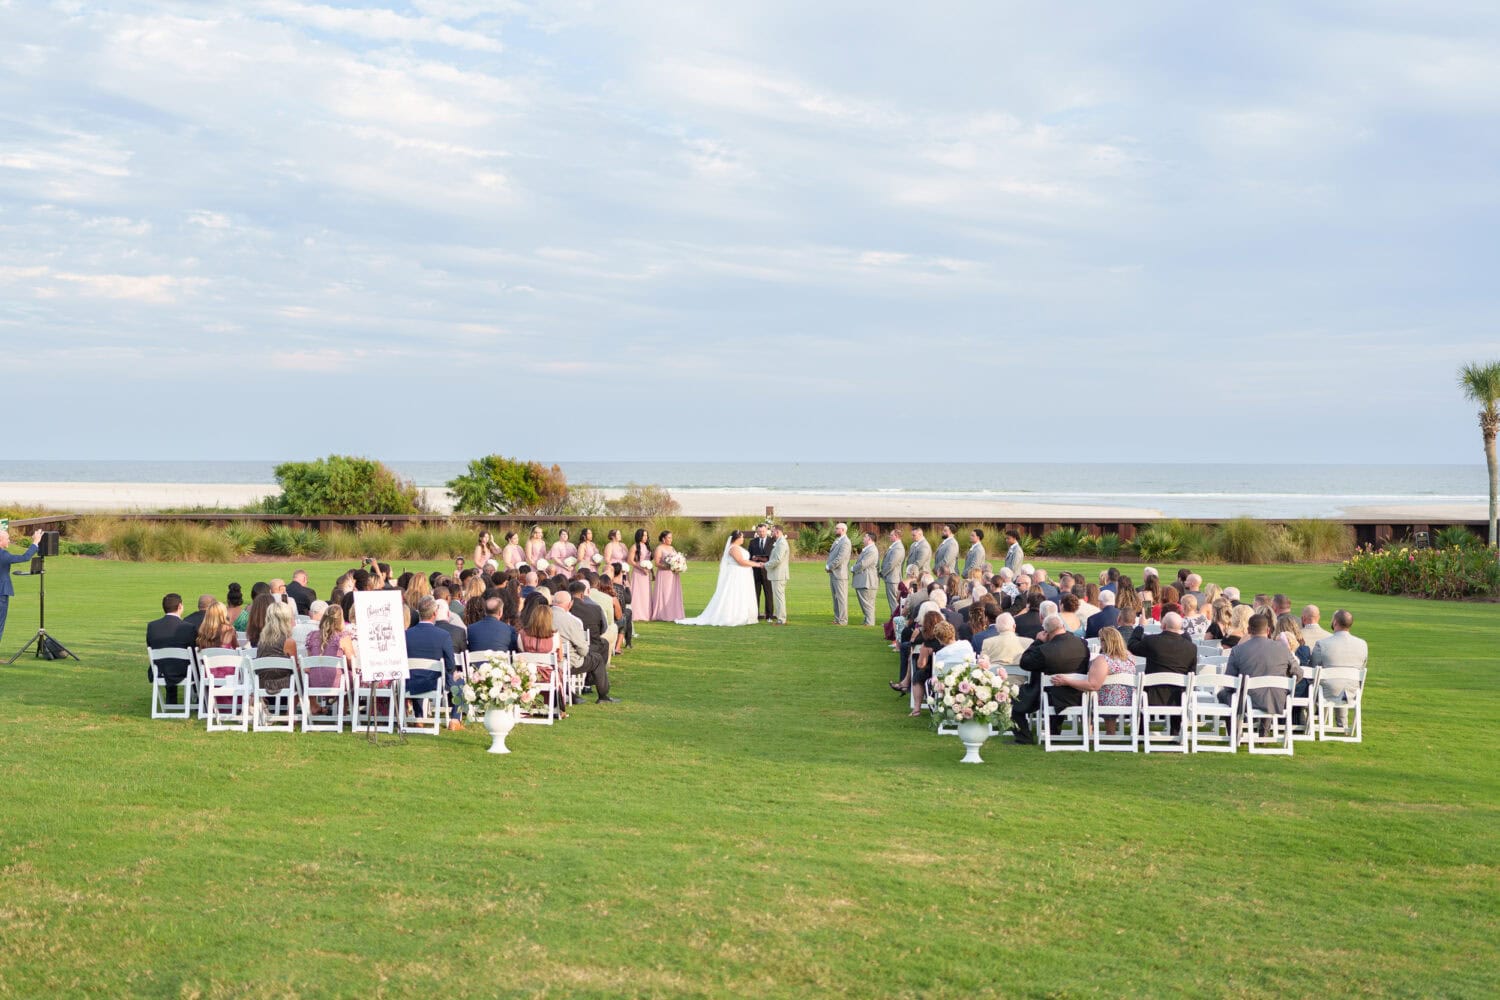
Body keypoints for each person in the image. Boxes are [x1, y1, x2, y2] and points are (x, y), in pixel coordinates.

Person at [1012, 615, 1090, 743]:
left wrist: (1037, 641)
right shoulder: (1081, 644)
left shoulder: (1044, 650)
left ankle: (1024, 737)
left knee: (1013, 699)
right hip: (1077, 694)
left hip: (1050, 696)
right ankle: (1054, 732)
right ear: (1063, 627)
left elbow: (1024, 662)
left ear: (1046, 632)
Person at [1050, 625, 1137, 734]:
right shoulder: (1130, 656)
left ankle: (1090, 734)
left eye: (1101, 640)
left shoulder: (1103, 660)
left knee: (1082, 695)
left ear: (1105, 642)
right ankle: (1109, 733)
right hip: (1129, 699)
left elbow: (1093, 685)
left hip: (1108, 700)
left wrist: (1066, 681)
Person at [1225, 613, 1302, 719]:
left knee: (1224, 695)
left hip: (1248, 700)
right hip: (1277, 699)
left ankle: (1235, 732)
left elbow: (1230, 681)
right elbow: (1298, 673)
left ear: (1248, 630)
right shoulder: (1282, 649)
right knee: (1267, 693)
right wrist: (1284, 684)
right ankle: (1263, 731)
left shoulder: (1238, 650)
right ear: (1268, 630)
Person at [1127, 611, 1197, 727]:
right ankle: (1175, 732)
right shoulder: (1191, 648)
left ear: (1163, 625)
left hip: (1150, 696)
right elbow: (1192, 673)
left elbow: (1132, 645)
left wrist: (1140, 626)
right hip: (1177, 698)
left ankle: (1141, 732)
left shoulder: (1152, 641)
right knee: (1180, 688)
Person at [677, 530, 757, 627]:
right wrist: (757, 564)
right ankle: (732, 615)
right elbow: (741, 561)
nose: (743, 539)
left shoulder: (738, 548)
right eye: (742, 537)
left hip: (742, 574)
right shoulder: (734, 549)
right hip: (736, 574)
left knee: (741, 593)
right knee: (734, 593)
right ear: (737, 538)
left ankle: (743, 614)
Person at [553, 587, 615, 702]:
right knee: (597, 659)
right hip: (567, 663)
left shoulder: (542, 617)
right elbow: (583, 650)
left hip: (546, 661)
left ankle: (573, 693)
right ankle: (603, 695)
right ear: (569, 604)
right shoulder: (570, 621)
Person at [1310, 609, 1368, 727]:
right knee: (1341, 683)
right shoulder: (1362, 644)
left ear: (1335, 622)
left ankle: (1313, 721)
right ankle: (1342, 724)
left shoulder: (1322, 644)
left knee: (1317, 682)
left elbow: (1314, 668)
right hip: (1352, 691)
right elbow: (1362, 667)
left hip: (1327, 691)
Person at [403, 596, 457, 722]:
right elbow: (450, 664)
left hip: (410, 682)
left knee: (416, 675)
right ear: (434, 613)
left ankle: (419, 717)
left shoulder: (406, 634)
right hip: (433, 683)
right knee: (459, 681)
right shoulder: (443, 635)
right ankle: (455, 719)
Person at [146, 592, 199, 704]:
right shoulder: (188, 627)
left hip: (159, 670)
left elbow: (150, 646)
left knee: (167, 661)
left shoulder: (152, 626)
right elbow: (194, 650)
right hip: (183, 670)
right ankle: (199, 697)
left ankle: (171, 696)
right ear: (180, 606)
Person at [650, 530, 684, 622]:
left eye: (671, 537)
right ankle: (663, 614)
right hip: (664, 574)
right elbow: (656, 563)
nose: (671, 539)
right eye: (669, 537)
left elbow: (677, 559)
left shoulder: (672, 548)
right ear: (663, 538)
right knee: (665, 593)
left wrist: (679, 565)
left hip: (673, 575)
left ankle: (674, 613)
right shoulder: (659, 548)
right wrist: (668, 566)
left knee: (673, 593)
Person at [762, 524, 790, 625]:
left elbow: (777, 559)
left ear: (777, 532)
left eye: (773, 531)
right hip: (777, 574)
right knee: (778, 597)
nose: (771, 533)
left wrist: (765, 565)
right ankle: (780, 618)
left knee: (779, 598)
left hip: (779, 575)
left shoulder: (782, 543)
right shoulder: (778, 542)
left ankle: (781, 620)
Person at [824, 522, 851, 626]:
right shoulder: (837, 540)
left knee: (841, 598)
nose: (835, 530)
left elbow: (840, 558)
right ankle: (837, 618)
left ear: (843, 530)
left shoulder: (846, 542)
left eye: (837, 528)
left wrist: (829, 566)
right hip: (833, 573)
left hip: (840, 574)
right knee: (835, 597)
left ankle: (843, 620)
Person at [851, 530, 880, 627]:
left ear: (869, 539)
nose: (863, 538)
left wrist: (853, 568)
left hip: (867, 580)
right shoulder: (868, 549)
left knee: (867, 602)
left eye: (865, 537)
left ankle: (869, 622)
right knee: (866, 602)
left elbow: (864, 564)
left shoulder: (872, 550)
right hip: (864, 580)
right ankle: (867, 620)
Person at [747, 523, 774, 621]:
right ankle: (755, 614)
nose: (761, 533)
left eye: (763, 531)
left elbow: (772, 557)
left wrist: (761, 558)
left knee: (769, 594)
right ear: (757, 532)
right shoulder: (752, 542)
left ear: (766, 530)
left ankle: (769, 615)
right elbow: (748, 556)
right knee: (755, 594)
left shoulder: (773, 541)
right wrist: (753, 558)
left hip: (768, 572)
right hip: (756, 572)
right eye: (759, 531)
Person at [880, 527, 905, 620]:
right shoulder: (895, 546)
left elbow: (891, 564)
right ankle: (893, 622)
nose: (889, 537)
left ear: (896, 536)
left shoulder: (898, 548)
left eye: (891, 535)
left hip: (893, 579)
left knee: (894, 603)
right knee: (892, 602)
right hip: (891, 578)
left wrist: (882, 573)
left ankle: (896, 622)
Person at [629, 529, 653, 623]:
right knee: (637, 592)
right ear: (639, 536)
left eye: (647, 536)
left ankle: (646, 614)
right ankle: (637, 613)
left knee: (646, 593)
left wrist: (649, 569)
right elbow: (630, 560)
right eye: (644, 536)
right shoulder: (635, 546)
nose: (646, 538)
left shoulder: (647, 547)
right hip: (638, 573)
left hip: (646, 573)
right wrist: (640, 568)